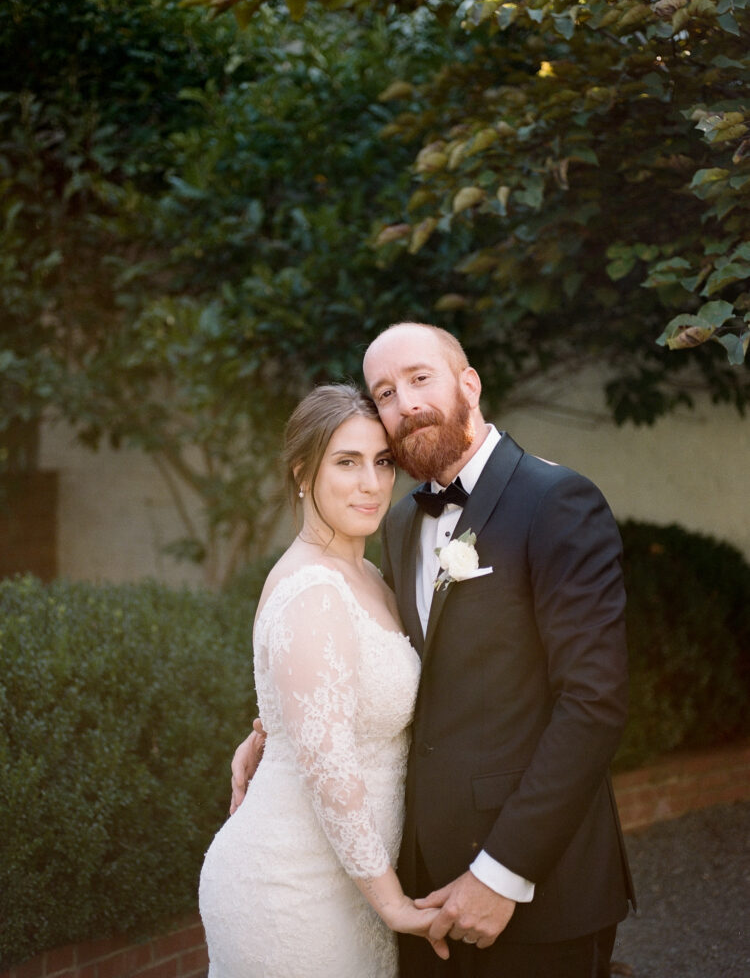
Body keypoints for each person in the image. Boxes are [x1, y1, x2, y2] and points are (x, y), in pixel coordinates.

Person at [232, 324, 636, 978]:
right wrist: (275, 726)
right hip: (421, 891)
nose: (405, 403)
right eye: (384, 392)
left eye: (420, 378)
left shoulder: (558, 501)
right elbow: (369, 666)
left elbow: (594, 705)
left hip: (539, 890)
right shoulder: (396, 524)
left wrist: (502, 873)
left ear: (467, 382)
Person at [199, 383, 448, 978]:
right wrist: (393, 905)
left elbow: (321, 708)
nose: (371, 483)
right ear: (302, 473)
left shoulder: (364, 573)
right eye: (346, 462)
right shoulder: (314, 589)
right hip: (293, 891)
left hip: (351, 886)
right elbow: (330, 765)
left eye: (382, 462)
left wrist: (268, 733)